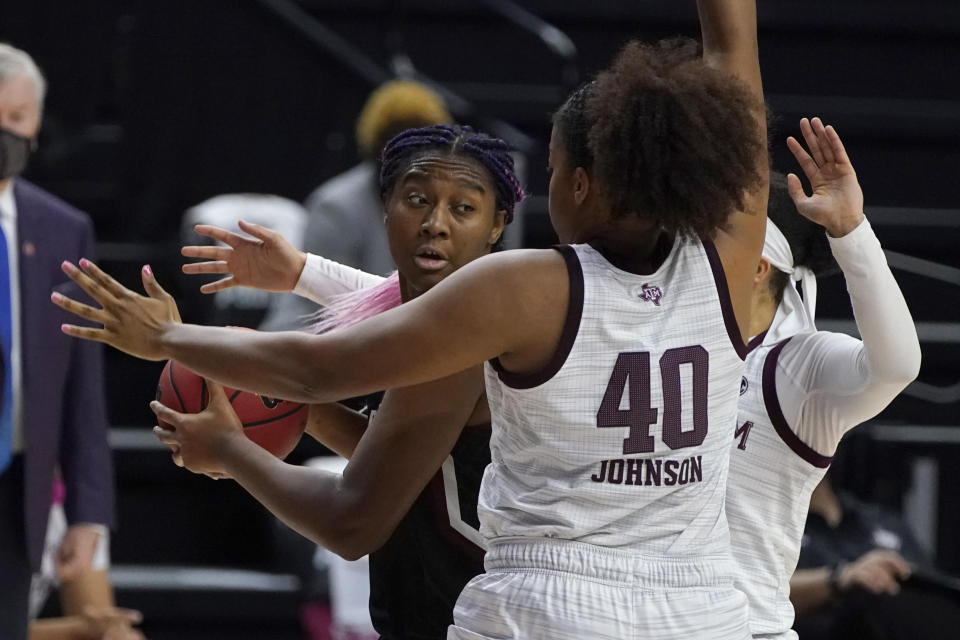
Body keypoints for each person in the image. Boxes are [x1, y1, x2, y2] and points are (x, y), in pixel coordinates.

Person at [53, 0, 768, 636]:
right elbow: (736, 65)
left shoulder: (527, 288)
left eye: (550, 169)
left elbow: (320, 372)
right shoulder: (732, 265)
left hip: (553, 606)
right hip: (705, 607)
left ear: (579, 183)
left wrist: (169, 342)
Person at [182, 123, 523, 639]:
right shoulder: (440, 321)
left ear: (498, 226)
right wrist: (289, 401)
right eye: (416, 200)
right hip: (433, 604)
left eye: (463, 208)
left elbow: (351, 522)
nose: (435, 224)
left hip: (490, 612)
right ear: (383, 206)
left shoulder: (466, 338)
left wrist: (229, 444)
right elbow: (403, 460)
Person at [724, 118, 922, 640]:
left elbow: (897, 367)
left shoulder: (795, 363)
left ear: (759, 266)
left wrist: (851, 234)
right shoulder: (672, 343)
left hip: (745, 629)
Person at [0, 42, 115, 640]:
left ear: (37, 123)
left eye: (15, 120)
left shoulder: (63, 229)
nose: (4, 134)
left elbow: (82, 386)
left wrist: (89, 511)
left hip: (17, 485)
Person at [259, 80, 453, 331]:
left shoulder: (444, 207)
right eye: (397, 142)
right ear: (375, 146)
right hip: (310, 337)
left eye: (421, 144)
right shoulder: (334, 207)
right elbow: (333, 304)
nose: (409, 154)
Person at [788, 471, 960, 640]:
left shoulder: (881, 520)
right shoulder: (777, 532)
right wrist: (841, 577)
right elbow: (764, 593)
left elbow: (932, 592)